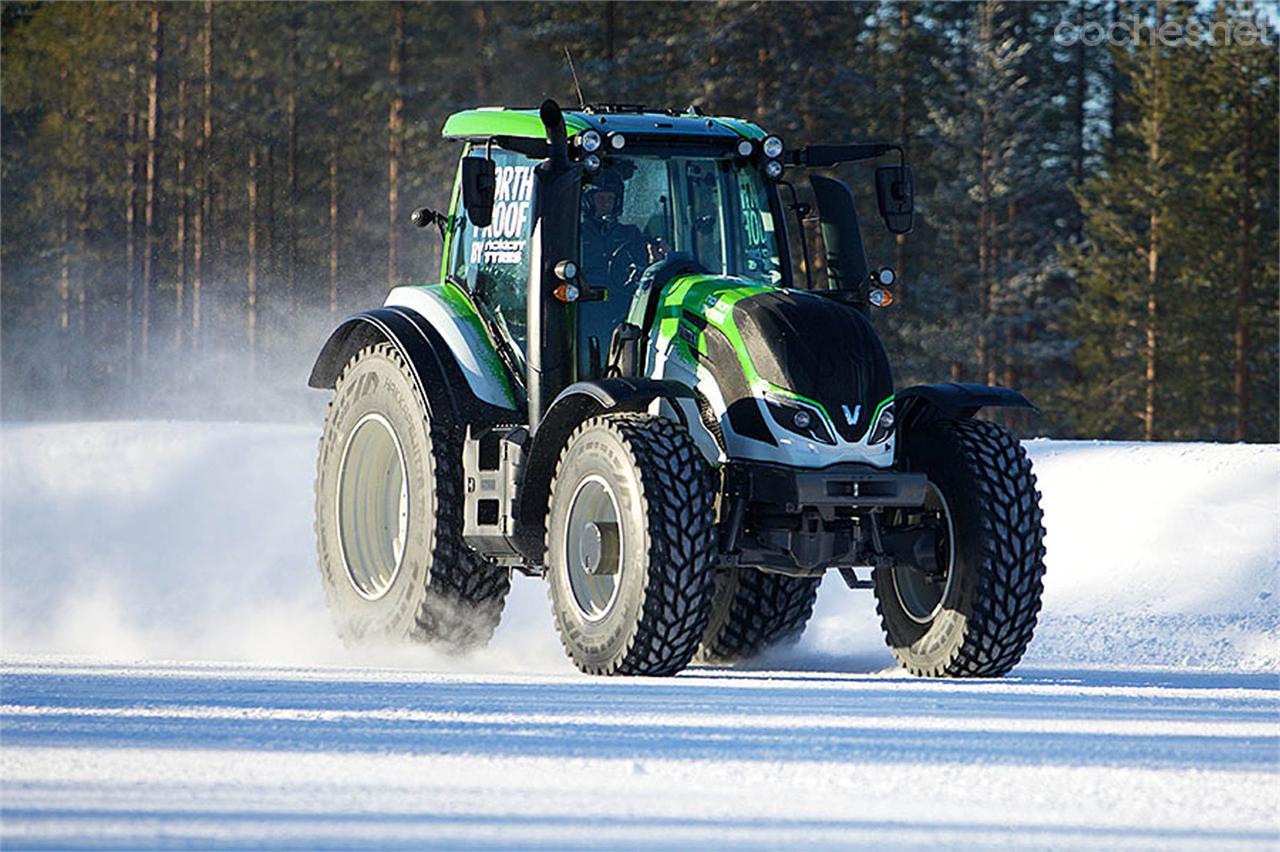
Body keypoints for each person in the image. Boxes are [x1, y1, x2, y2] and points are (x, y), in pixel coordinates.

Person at [579, 166, 664, 292]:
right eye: (600, 198)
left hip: (623, 296)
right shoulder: (576, 233)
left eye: (610, 198)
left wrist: (655, 260)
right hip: (587, 297)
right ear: (588, 201)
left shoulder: (630, 234)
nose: (606, 203)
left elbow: (643, 267)